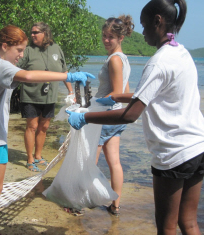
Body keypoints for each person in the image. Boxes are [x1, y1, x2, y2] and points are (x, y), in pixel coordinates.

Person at [66, 0, 204, 234]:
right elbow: (149, 95)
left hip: (173, 152)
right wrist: (117, 96)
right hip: (197, 147)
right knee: (188, 222)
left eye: (144, 25)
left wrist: (86, 117)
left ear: (157, 22)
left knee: (166, 226)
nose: (141, 32)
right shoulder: (182, 53)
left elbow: (131, 116)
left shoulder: (158, 62)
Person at [0, 25, 94, 235]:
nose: (21, 55)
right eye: (19, 50)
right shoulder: (1, 65)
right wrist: (67, 76)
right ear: (5, 46)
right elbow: (29, 76)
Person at [17, 22, 74, 172]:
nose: (32, 35)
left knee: (44, 127)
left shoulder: (56, 49)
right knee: (32, 126)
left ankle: (38, 155)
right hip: (30, 95)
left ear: (45, 33)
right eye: (32, 32)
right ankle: (30, 159)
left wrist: (71, 92)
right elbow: (15, 68)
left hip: (50, 96)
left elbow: (64, 72)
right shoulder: (28, 50)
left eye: (36, 32)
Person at [93, 15, 134, 216]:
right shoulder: (124, 60)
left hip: (105, 116)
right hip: (117, 116)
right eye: (104, 36)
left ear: (121, 38)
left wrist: (90, 106)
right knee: (115, 162)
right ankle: (115, 205)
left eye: (110, 37)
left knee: (90, 160)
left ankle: (79, 201)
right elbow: (126, 91)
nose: (106, 40)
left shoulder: (114, 60)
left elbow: (116, 93)